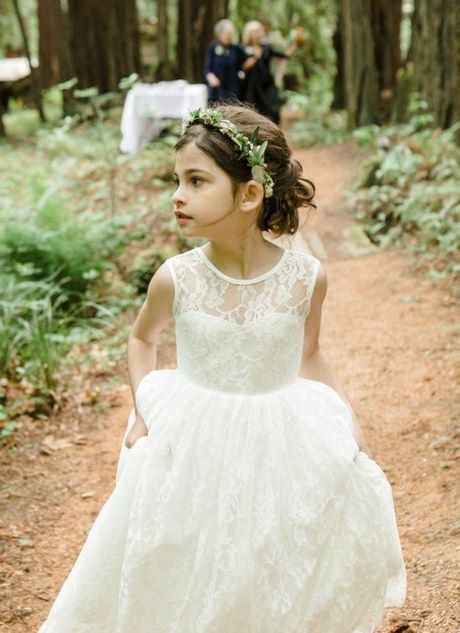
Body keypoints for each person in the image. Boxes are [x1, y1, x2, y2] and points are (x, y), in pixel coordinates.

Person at [37, 103, 407, 632]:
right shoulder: (176, 277)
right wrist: (144, 413)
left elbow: (309, 353)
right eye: (176, 181)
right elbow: (142, 339)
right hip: (194, 432)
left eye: (196, 181)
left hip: (279, 433)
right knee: (183, 547)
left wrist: (347, 414)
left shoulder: (306, 277)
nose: (177, 196)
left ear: (250, 194)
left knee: (266, 548)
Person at [241, 20, 294, 124]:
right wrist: (248, 63)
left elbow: (284, 55)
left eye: (260, 31)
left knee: (272, 111)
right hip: (252, 88)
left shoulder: (266, 48)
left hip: (267, 86)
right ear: (250, 34)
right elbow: (240, 68)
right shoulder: (243, 48)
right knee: (253, 113)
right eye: (256, 31)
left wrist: (294, 43)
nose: (259, 33)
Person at [204, 18, 245, 103]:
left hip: (233, 89)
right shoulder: (213, 47)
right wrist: (211, 77)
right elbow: (207, 68)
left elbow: (243, 64)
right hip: (217, 89)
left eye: (231, 33)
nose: (229, 36)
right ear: (219, 33)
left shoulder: (236, 49)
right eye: (227, 33)